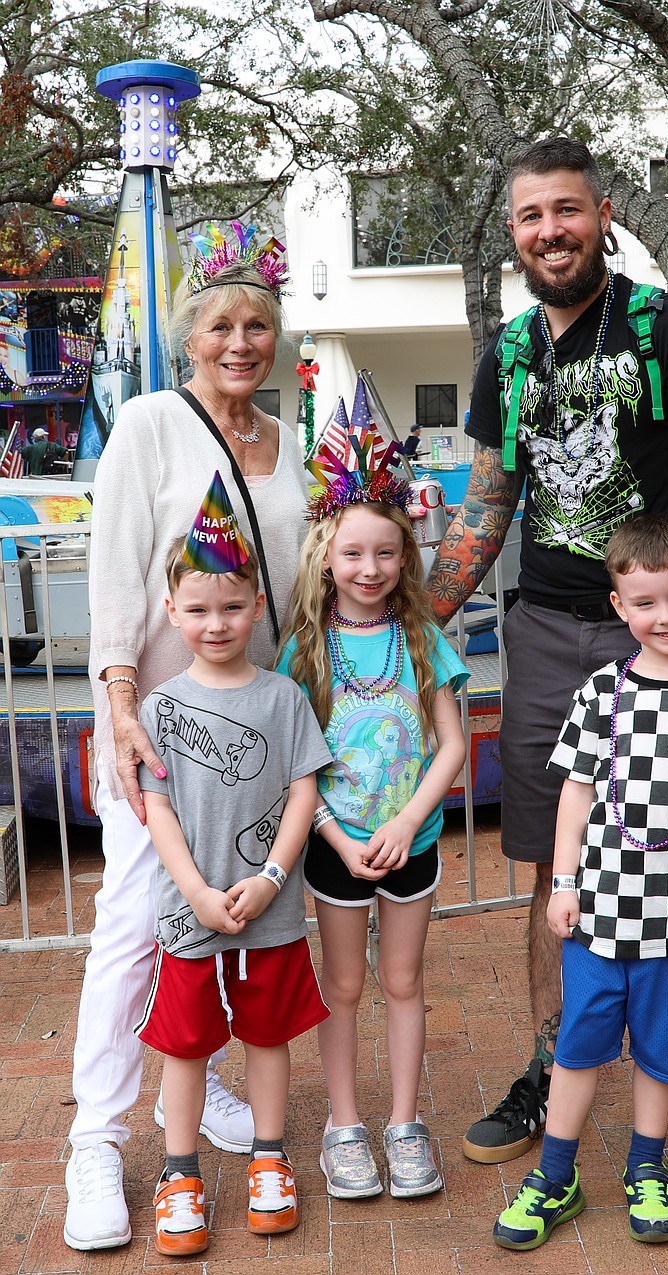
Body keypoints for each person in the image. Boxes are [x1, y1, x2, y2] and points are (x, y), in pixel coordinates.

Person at [426, 137, 668, 1196]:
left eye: (567, 210)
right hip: (545, 638)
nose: (550, 232)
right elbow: (487, 504)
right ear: (514, 233)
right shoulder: (510, 354)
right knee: (553, 866)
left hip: (662, 641)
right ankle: (553, 1065)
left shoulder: (666, 330)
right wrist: (407, 625)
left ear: (602, 214)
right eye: (531, 217)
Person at [64, 225, 308, 1251]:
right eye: (220, 326)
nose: (239, 343)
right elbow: (116, 576)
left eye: (257, 325)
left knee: (243, 922)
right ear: (187, 337)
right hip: (159, 736)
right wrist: (119, 706)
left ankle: (197, 1084)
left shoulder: (290, 441)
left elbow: (299, 589)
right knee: (135, 923)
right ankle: (95, 1138)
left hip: (256, 733)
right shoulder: (151, 424)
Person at [492, 514, 668, 1251]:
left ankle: (646, 1166)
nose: (665, 615)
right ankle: (555, 1174)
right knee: (577, 1047)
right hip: (599, 921)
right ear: (619, 606)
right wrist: (563, 883)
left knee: (663, 1055)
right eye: (645, 602)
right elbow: (575, 793)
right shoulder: (601, 693)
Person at [135, 492, 331, 1257]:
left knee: (267, 1034)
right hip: (190, 913)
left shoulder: (284, 698)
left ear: (256, 605)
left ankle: (268, 1156)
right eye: (197, 609)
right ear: (172, 612)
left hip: (268, 911)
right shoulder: (160, 707)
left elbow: (303, 792)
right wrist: (194, 890)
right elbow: (158, 809)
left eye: (230, 607)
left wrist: (274, 877)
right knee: (186, 1044)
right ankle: (179, 1173)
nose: (215, 623)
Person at [277, 440, 468, 1200]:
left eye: (385, 552)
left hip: (412, 844)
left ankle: (404, 1122)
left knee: (403, 980)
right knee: (345, 985)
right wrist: (332, 834)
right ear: (326, 558)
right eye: (353, 552)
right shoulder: (305, 652)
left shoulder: (423, 642)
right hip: (336, 848)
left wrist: (409, 820)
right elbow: (295, 764)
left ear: (404, 556)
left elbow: (451, 744)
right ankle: (345, 1122)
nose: (369, 567)